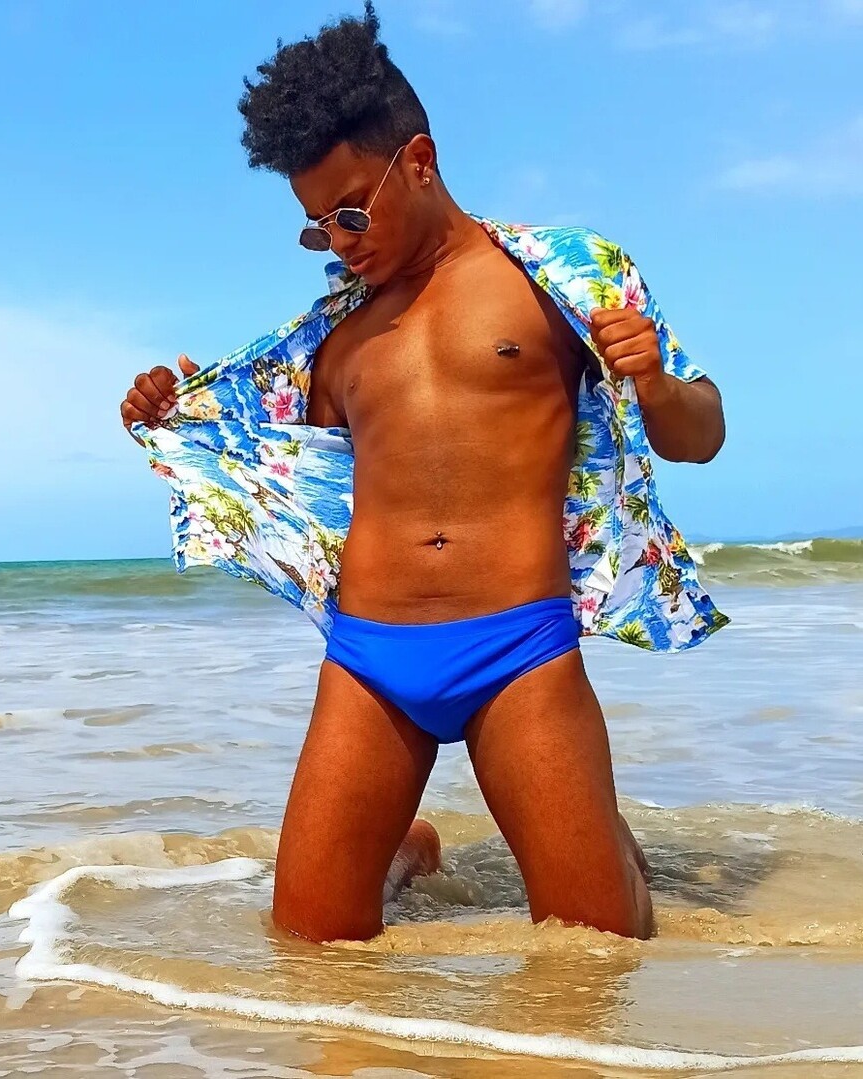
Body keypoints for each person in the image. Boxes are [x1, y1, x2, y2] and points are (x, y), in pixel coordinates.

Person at [119, 3, 726, 944]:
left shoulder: (563, 276)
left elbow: (701, 433)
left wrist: (653, 381)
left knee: (599, 948)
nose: (340, 240)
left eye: (351, 211)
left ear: (420, 160)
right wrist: (173, 406)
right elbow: (264, 455)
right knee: (310, 945)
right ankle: (405, 846)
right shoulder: (334, 339)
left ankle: (606, 838)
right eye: (317, 228)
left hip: (519, 650)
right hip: (370, 658)